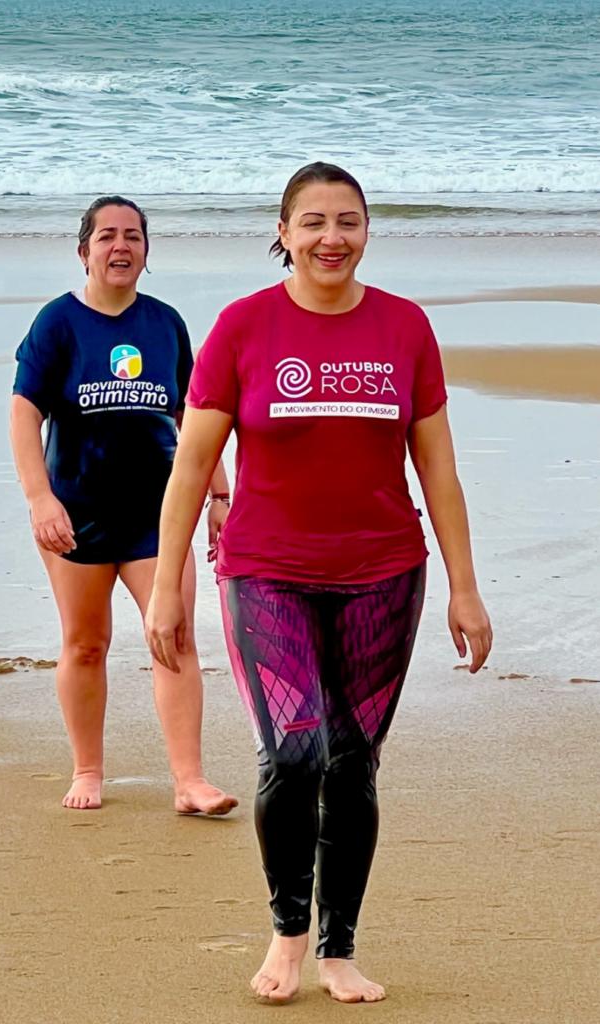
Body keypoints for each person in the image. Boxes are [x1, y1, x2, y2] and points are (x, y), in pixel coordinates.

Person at [145, 163, 492, 1004]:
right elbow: (191, 463)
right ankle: (287, 934)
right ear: (283, 232)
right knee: (295, 749)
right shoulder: (243, 327)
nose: (330, 238)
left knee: (353, 762)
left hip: (382, 573)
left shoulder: (403, 328)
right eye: (312, 223)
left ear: (366, 230)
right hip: (267, 571)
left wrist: (463, 585)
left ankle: (339, 949)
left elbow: (437, 470)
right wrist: (167, 583)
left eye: (347, 221)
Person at [10, 195, 237, 816]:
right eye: (107, 235)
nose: (121, 246)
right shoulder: (58, 323)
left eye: (133, 236)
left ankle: (189, 782)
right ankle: (88, 768)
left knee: (175, 637)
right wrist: (39, 499)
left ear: (146, 251)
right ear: (83, 251)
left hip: (157, 516)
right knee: (86, 643)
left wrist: (220, 494)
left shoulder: (164, 324)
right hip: (76, 514)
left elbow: (196, 415)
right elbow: (24, 413)